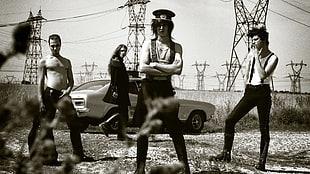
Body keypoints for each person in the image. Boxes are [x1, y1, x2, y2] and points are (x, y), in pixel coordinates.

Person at [209, 25, 278, 171]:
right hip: (250, 92)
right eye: (252, 40)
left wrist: (257, 57)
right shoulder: (251, 54)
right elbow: (247, 72)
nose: (253, 43)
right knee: (230, 120)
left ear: (264, 39)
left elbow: (263, 74)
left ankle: (261, 162)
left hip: (263, 93)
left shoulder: (273, 57)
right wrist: (246, 84)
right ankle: (226, 153)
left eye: (256, 39)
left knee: (264, 128)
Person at [133, 9, 190, 174]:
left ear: (170, 27)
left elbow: (178, 69)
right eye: (158, 25)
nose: (161, 28)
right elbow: (142, 68)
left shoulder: (176, 47)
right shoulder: (147, 44)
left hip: (165, 89)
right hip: (148, 89)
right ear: (154, 26)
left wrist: (156, 65)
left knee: (175, 130)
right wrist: (168, 69)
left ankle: (185, 169)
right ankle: (140, 169)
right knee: (144, 130)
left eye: (165, 25)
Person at [28, 34, 94, 165]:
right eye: (52, 46)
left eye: (57, 45)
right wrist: (41, 100)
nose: (55, 48)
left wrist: (67, 91)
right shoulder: (44, 61)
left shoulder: (66, 61)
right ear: (49, 45)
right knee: (46, 125)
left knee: (74, 123)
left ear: (60, 44)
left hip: (64, 95)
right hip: (50, 94)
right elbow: (40, 82)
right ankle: (51, 157)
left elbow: (71, 81)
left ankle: (79, 154)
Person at [99, 44, 131, 141]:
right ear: (118, 51)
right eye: (121, 51)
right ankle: (106, 124)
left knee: (123, 113)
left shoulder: (119, 61)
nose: (123, 53)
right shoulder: (116, 61)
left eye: (125, 51)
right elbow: (115, 78)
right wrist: (115, 90)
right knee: (123, 113)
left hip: (123, 90)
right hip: (120, 90)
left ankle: (120, 134)